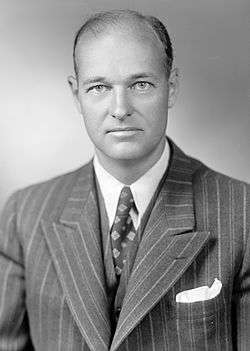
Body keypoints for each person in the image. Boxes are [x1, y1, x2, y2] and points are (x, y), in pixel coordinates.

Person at [0, 9, 249, 351]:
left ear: (172, 88)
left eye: (140, 84)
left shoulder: (242, 214)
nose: (120, 108)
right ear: (76, 95)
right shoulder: (24, 214)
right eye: (99, 87)